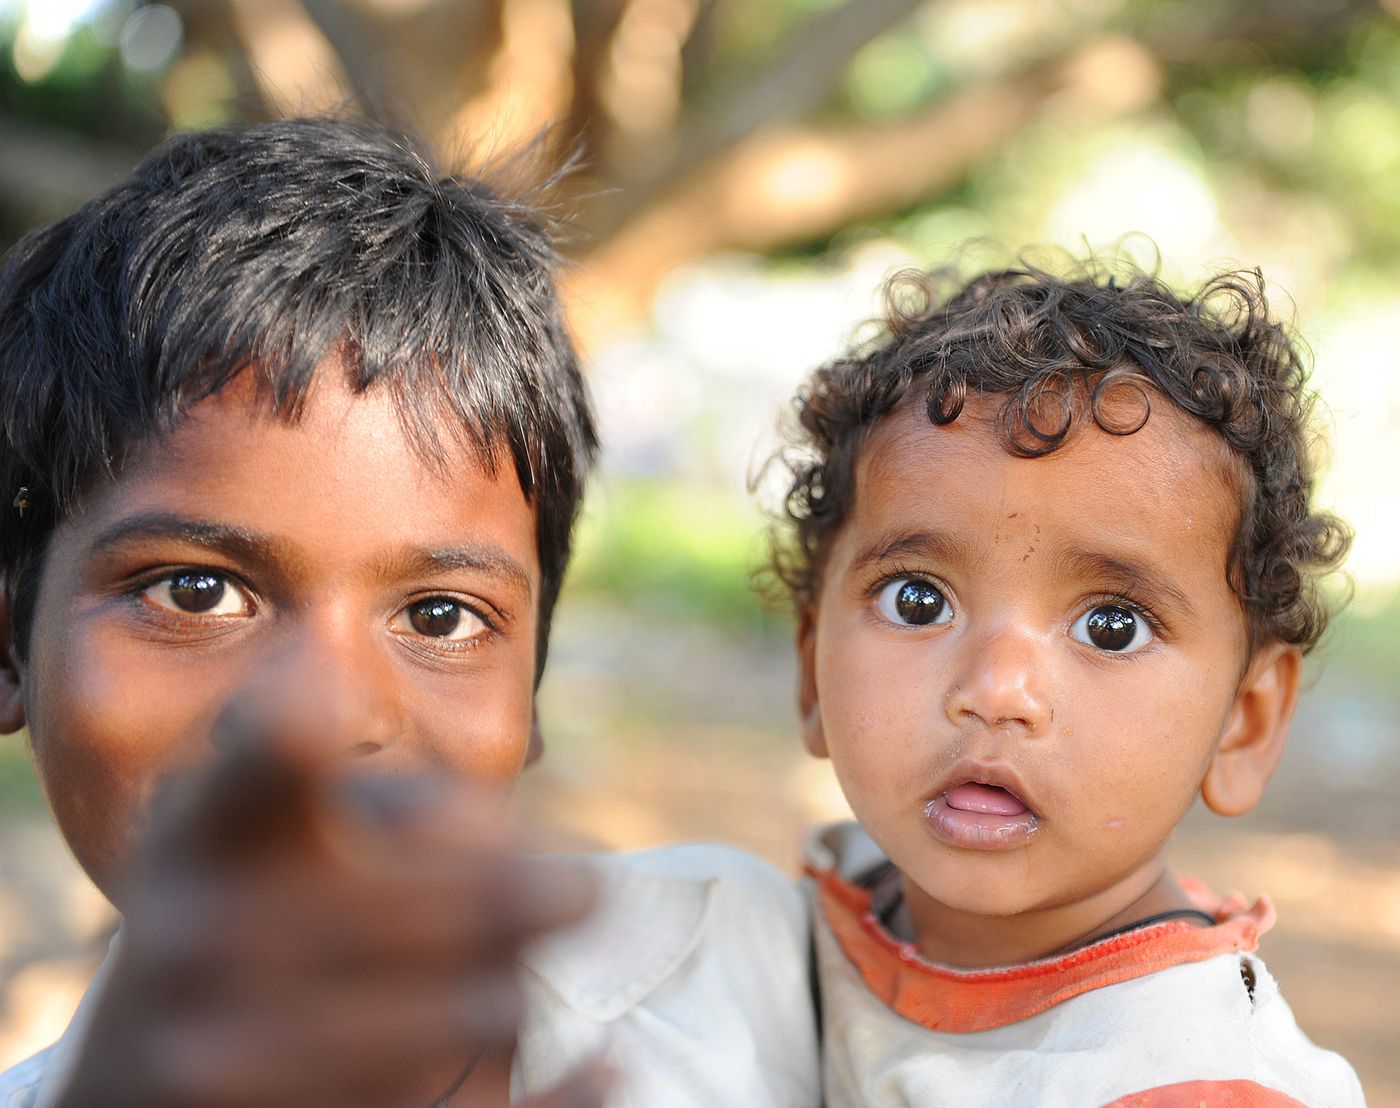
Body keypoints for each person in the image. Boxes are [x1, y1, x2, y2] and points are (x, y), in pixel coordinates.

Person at [0, 116, 819, 1108]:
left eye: (440, 617)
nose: (332, 713)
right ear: (12, 644)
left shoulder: (750, 976)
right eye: (197, 591)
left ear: (532, 692)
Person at [770, 258, 1366, 1105]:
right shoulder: (795, 924)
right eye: (918, 600)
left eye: (1111, 627)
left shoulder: (1193, 1079)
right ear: (811, 670)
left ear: (1244, 721)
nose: (997, 690)